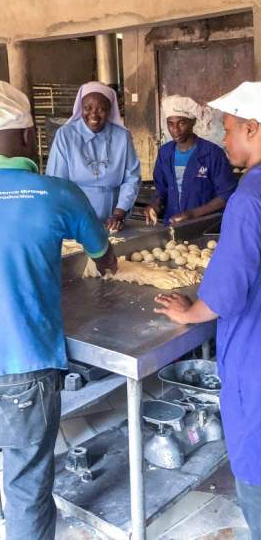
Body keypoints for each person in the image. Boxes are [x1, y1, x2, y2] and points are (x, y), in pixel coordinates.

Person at [0, 80, 117, 540]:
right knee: (26, 490)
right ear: (28, 136)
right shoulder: (57, 193)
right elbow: (104, 257)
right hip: (23, 367)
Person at [154, 81, 261, 539]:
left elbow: (226, 292)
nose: (226, 138)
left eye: (232, 128)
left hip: (255, 358)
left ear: (254, 129)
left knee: (255, 475)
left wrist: (192, 310)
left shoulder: (248, 199)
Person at [46, 81, 141, 231]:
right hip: (75, 219)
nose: (94, 114)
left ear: (110, 110)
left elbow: (132, 177)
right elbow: (57, 182)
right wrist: (72, 218)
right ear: (80, 108)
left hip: (114, 220)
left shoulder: (122, 136)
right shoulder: (66, 135)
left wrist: (118, 213)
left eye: (101, 109)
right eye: (87, 108)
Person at [145, 95, 237, 225]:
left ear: (192, 122)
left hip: (203, 226)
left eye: (182, 123)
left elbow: (227, 194)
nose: (175, 130)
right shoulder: (165, 153)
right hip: (171, 225)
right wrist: (154, 205)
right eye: (170, 124)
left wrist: (193, 214)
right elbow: (161, 189)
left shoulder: (212, 153)